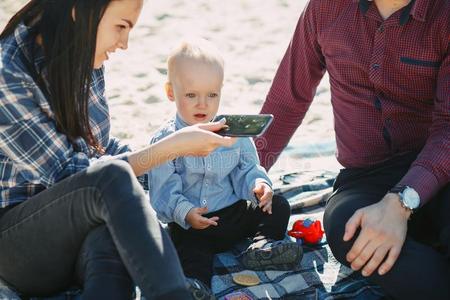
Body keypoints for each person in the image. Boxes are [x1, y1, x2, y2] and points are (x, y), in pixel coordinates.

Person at [0, 1, 236, 299]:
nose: (124, 44)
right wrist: (169, 149)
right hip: (19, 247)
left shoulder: (82, 52)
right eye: (121, 27)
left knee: (118, 241)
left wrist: (176, 167)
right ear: (80, 10)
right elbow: (72, 175)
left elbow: (99, 148)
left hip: (80, 232)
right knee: (113, 180)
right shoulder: (7, 70)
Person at [255, 0, 449, 299]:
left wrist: (400, 203)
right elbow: (286, 101)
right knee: (345, 227)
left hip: (440, 170)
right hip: (366, 177)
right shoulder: (325, 8)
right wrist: (245, 174)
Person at [147, 39, 303, 291]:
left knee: (279, 205)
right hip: (195, 224)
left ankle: (262, 247)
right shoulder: (166, 141)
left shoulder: (233, 132)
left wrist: (258, 185)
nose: (202, 103)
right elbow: (163, 191)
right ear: (170, 92)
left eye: (212, 94)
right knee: (188, 249)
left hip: (234, 213)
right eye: (191, 95)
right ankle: (196, 285)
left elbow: (247, 168)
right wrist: (185, 212)